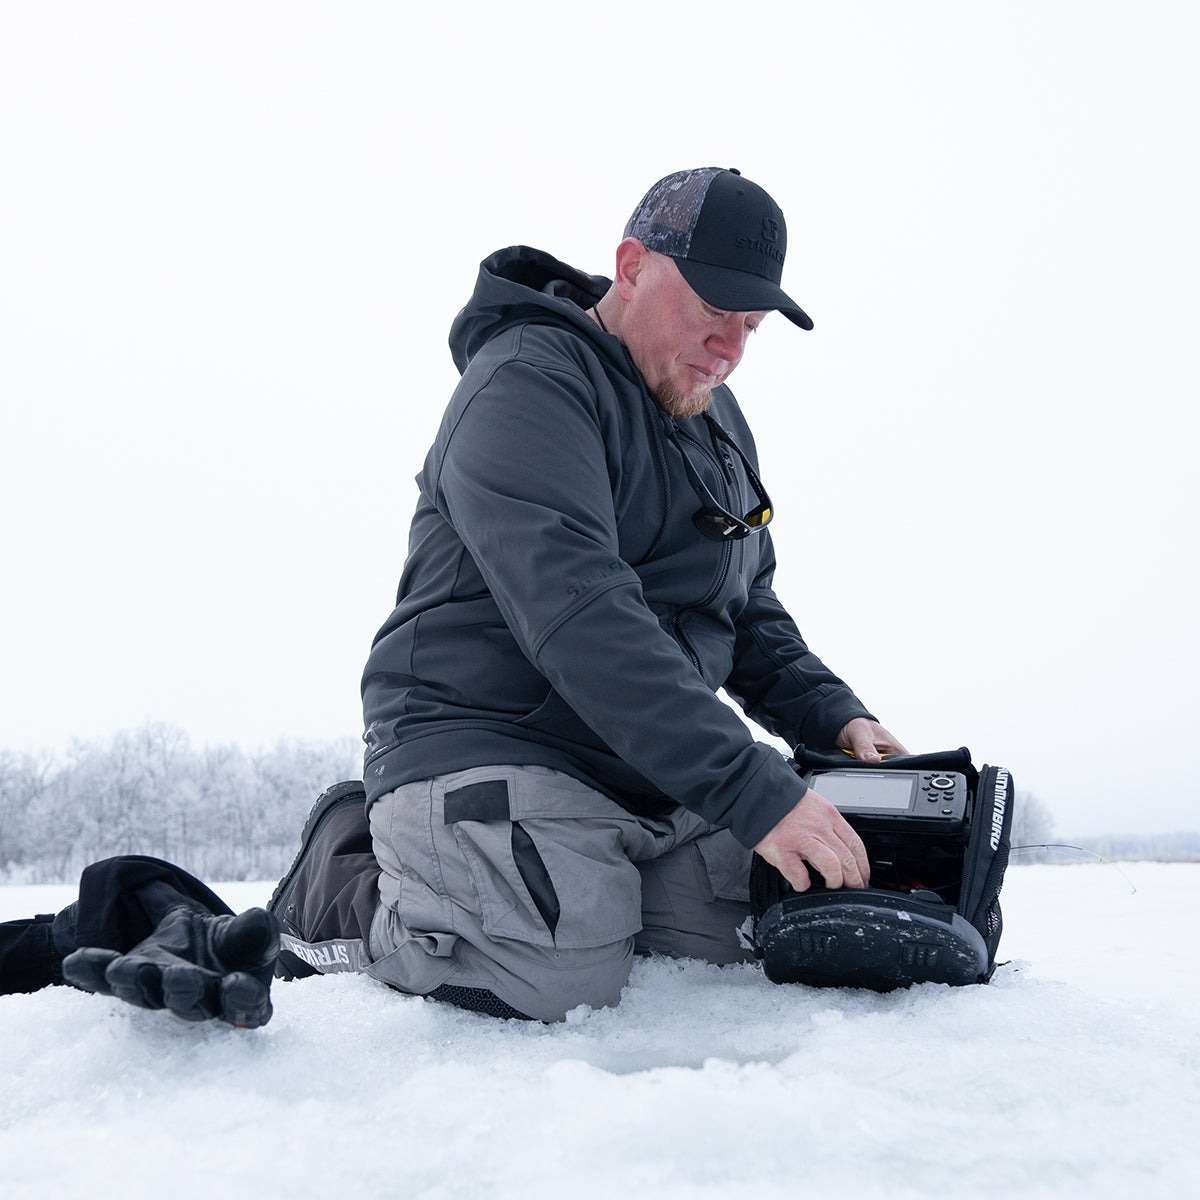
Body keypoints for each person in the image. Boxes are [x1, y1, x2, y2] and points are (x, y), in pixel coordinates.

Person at [0, 167, 905, 1026]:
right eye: (714, 310)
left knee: (777, 927)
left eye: (752, 324)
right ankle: (344, 862)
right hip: (490, 741)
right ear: (632, 268)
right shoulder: (528, 382)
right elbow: (580, 614)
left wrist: (832, 720)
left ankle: (525, 883)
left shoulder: (711, 418)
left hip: (641, 773)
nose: (731, 348)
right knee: (542, 979)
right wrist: (752, 786)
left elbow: (746, 607)